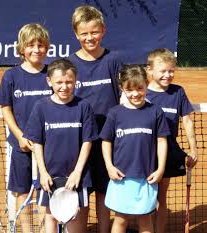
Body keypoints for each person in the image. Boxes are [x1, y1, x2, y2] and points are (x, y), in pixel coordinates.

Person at [23, 58, 98, 233]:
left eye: (69, 82)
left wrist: (77, 172)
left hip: (77, 176)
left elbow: (87, 141)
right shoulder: (41, 107)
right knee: (50, 221)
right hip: (50, 177)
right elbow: (37, 143)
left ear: (76, 81)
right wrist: (43, 172)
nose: (64, 87)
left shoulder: (83, 106)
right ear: (49, 81)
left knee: (76, 222)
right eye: (59, 82)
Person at [69, 5, 122, 232]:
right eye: (84, 33)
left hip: (108, 139)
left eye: (94, 32)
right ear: (76, 34)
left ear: (103, 30)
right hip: (78, 140)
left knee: (103, 190)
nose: (90, 38)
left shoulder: (114, 61)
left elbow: (124, 98)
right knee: (80, 190)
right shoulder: (69, 64)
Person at [0, 23, 52, 233]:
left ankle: (47, 230)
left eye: (41, 45)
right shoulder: (11, 76)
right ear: (21, 48)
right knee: (22, 192)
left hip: (49, 148)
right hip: (21, 147)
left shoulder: (53, 74)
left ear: (48, 47)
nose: (36, 49)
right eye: (31, 45)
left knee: (48, 192)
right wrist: (19, 136)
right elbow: (6, 108)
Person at [100, 64, 170, 233]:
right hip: (121, 177)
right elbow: (106, 141)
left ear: (146, 84)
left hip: (146, 177)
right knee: (120, 219)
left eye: (140, 88)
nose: (135, 93)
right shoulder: (115, 113)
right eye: (129, 89)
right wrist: (109, 166)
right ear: (121, 89)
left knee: (145, 219)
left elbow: (162, 141)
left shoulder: (155, 112)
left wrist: (160, 169)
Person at [146, 48, 198, 233]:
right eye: (163, 71)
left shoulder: (178, 92)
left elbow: (187, 120)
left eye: (171, 71)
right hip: (144, 152)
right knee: (145, 197)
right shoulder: (141, 92)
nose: (168, 75)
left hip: (168, 152)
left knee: (161, 196)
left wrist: (193, 149)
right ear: (149, 70)